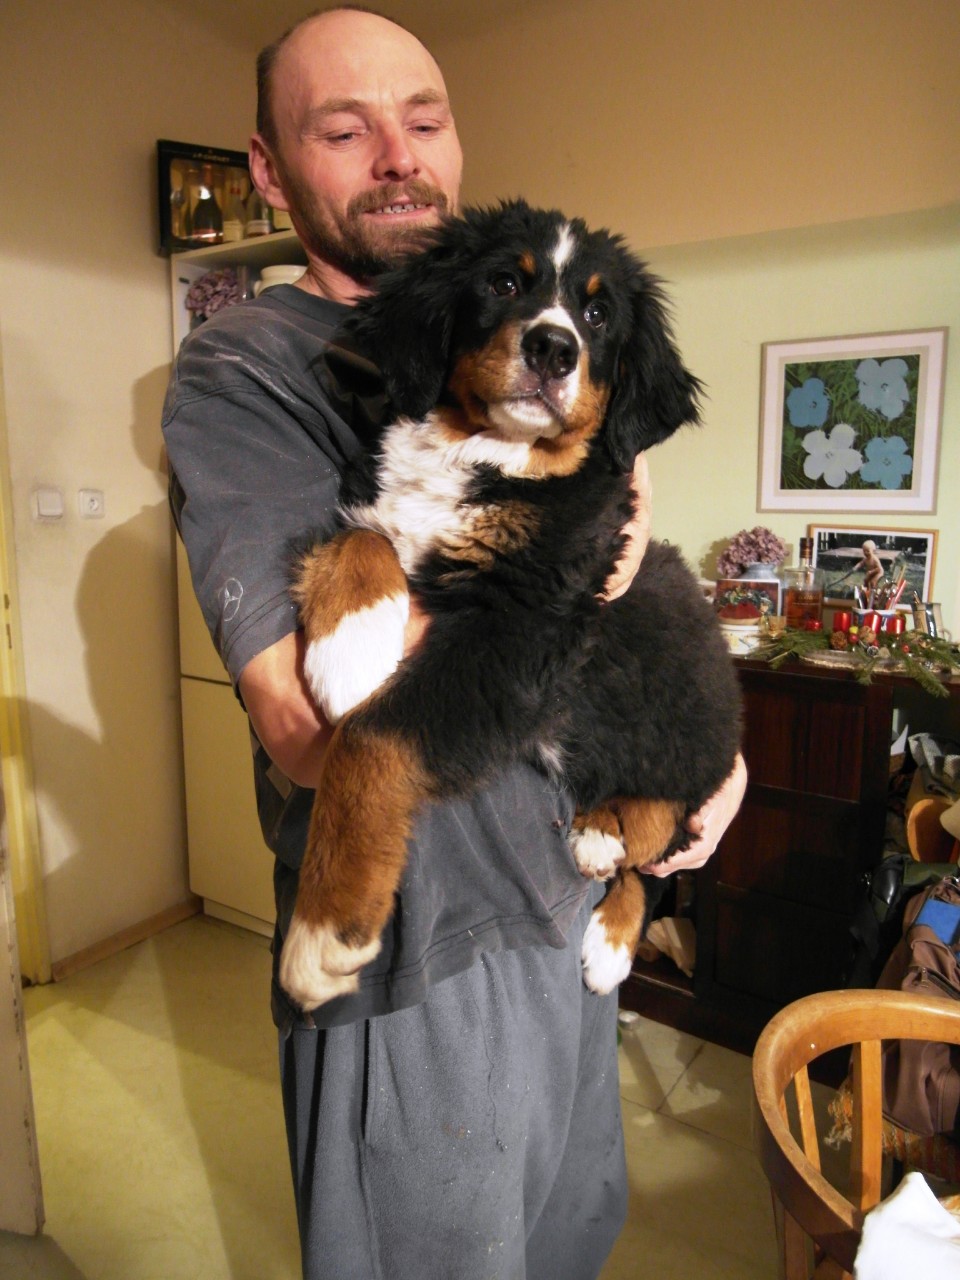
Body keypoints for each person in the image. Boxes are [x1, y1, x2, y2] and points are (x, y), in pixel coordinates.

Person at [162, 8, 747, 1279]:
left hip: (562, 906)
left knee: (567, 1242)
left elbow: (622, 592)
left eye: (423, 119)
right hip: (419, 952)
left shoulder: (536, 359)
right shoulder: (246, 365)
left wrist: (711, 759)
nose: (397, 155)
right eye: (344, 129)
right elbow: (307, 719)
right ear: (269, 168)